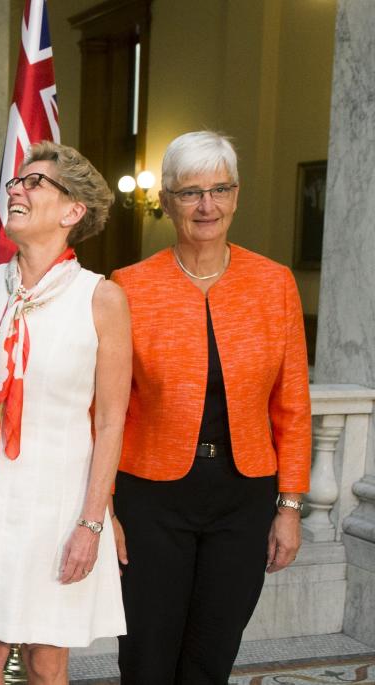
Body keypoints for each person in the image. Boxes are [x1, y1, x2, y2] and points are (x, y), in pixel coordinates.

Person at [0, 141, 130, 685]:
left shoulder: (101, 299)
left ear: (72, 210)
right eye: (16, 181)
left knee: (45, 658)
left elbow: (110, 421)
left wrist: (91, 520)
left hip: (57, 503)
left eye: (34, 183)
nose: (16, 189)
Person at [110, 130, 312, 684]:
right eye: (191, 192)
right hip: (150, 498)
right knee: (147, 654)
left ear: (236, 195)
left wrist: (290, 507)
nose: (207, 205)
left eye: (220, 189)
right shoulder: (127, 287)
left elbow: (292, 404)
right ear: (167, 201)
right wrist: (103, 506)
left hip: (243, 496)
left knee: (213, 652)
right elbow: (105, 411)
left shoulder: (274, 285)